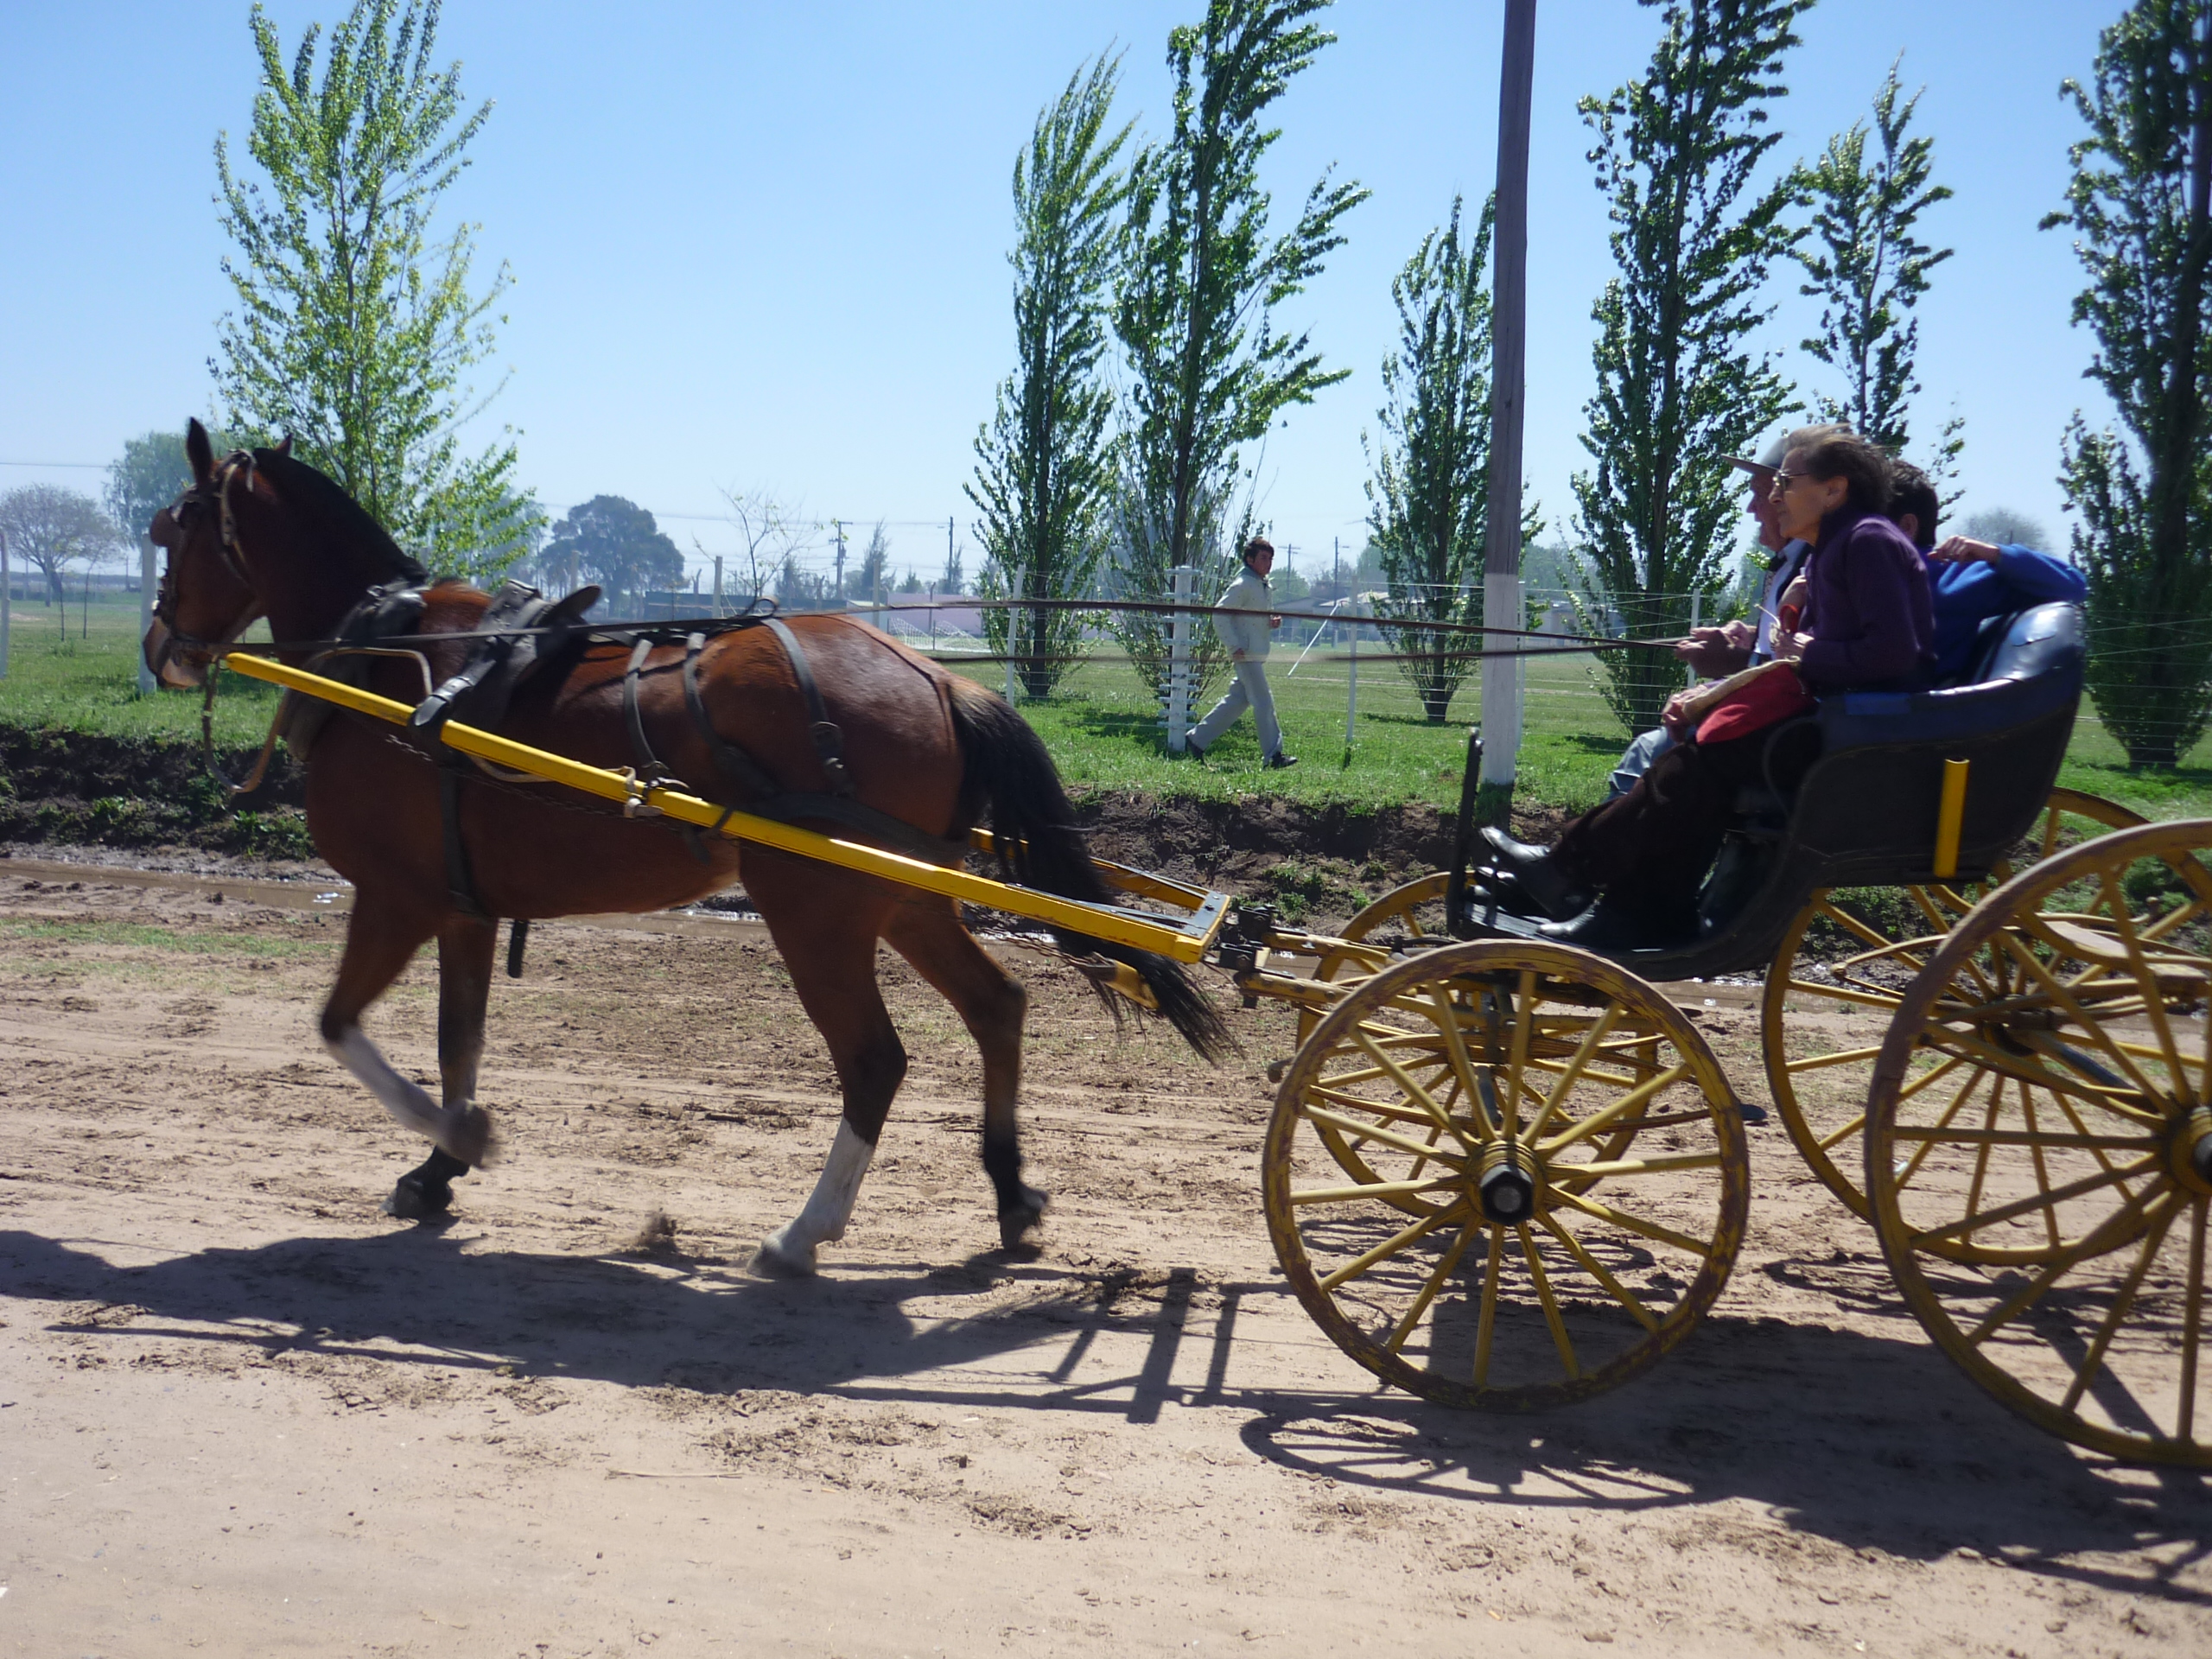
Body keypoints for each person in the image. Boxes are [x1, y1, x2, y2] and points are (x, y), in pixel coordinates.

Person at [1483, 429, 1933, 949]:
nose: (1774, 495)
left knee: (1700, 759)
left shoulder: (1868, 541)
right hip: (1840, 720)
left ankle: (1575, 872)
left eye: (1786, 481)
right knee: (1700, 759)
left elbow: (1895, 654)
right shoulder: (1837, 548)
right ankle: (1631, 905)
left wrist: (1808, 654)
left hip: (1862, 735)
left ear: (1834, 490)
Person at [1605, 425, 1839, 798]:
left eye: (1765, 495)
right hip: (1776, 722)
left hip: (1787, 734)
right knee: (1650, 749)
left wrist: (1731, 667)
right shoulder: (1789, 565)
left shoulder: (1821, 567)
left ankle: (1593, 855)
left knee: (1652, 752)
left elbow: (1804, 666)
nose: (1755, 507)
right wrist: (1745, 642)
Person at [1882, 463, 2086, 682]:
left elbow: (2072, 585)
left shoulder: (1957, 577)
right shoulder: (1845, 571)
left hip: (1909, 705)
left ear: (1906, 527)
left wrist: (1996, 554)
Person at [1187, 537, 1297, 769]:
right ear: (1250, 559)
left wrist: (1269, 623)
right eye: (1263, 558)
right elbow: (1220, 614)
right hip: (1245, 654)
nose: (1268, 563)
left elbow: (1248, 619)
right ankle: (1274, 756)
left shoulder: (1259, 584)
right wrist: (1233, 646)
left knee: (1236, 702)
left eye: (1270, 559)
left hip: (1254, 653)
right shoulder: (1243, 584)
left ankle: (1196, 739)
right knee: (1264, 701)